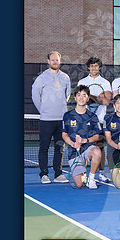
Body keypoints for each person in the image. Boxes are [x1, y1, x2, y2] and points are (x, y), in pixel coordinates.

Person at [31, 51, 71, 184]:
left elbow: (67, 95)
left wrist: (60, 108)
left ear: (60, 61)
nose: (55, 62)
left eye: (57, 60)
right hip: (46, 120)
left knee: (60, 148)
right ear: (48, 61)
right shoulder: (41, 78)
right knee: (44, 147)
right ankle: (44, 174)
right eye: (52, 60)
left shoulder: (65, 77)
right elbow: (35, 96)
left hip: (61, 120)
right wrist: (43, 110)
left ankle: (58, 174)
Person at [77, 56, 112, 183]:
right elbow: (81, 100)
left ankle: (101, 173)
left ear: (100, 67)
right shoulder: (82, 82)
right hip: (84, 119)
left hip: (100, 120)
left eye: (96, 66)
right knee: (83, 146)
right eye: (92, 66)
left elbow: (106, 101)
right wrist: (98, 98)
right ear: (88, 67)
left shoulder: (105, 83)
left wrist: (89, 97)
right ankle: (83, 173)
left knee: (100, 146)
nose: (94, 68)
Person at [61, 85, 103, 190]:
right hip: (74, 151)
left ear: (88, 98)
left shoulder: (93, 116)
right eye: (79, 95)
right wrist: (73, 144)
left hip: (88, 148)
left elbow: (97, 136)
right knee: (79, 184)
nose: (81, 98)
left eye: (84, 95)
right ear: (75, 98)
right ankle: (82, 168)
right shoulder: (67, 115)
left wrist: (85, 140)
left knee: (97, 151)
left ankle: (91, 179)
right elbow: (64, 134)